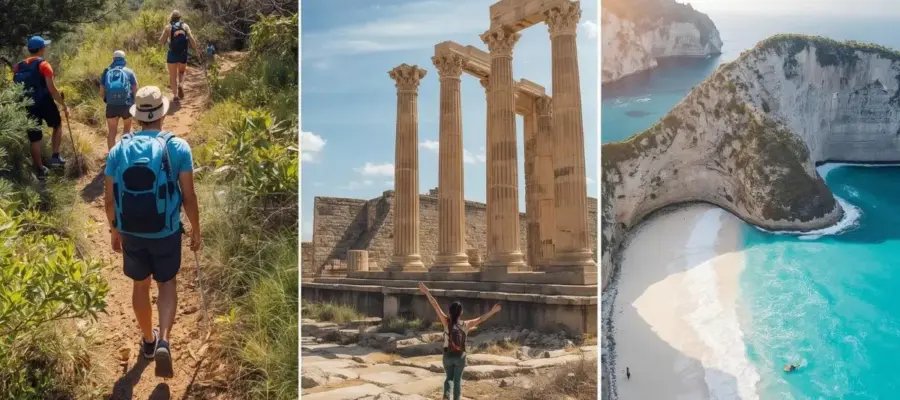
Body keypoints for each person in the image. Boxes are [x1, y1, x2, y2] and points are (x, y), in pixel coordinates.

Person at [104, 86, 201, 378]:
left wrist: (114, 230)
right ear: (162, 113)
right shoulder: (178, 147)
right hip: (166, 230)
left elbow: (109, 199)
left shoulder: (118, 149)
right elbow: (189, 196)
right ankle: (165, 341)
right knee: (167, 282)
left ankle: (147, 340)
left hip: (132, 231)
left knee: (140, 285)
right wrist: (196, 229)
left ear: (137, 115)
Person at [418, 282, 501, 400]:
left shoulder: (446, 322)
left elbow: (435, 305)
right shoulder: (466, 324)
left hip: (447, 354)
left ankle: (446, 394)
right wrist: (493, 311)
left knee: (449, 378)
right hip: (460, 355)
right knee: (457, 381)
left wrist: (426, 292)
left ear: (449, 312)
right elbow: (481, 319)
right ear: (461, 313)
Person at [12, 36, 69, 180]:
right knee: (57, 124)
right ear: (41, 49)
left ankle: (41, 169)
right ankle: (55, 156)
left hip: (27, 105)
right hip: (44, 102)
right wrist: (63, 104)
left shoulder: (18, 66)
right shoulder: (44, 65)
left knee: (34, 139)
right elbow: (52, 89)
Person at [158, 10, 201, 105]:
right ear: (180, 17)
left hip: (172, 54)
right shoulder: (185, 26)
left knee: (173, 76)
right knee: (181, 72)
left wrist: (166, 41)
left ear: (171, 17)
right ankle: (181, 85)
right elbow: (191, 39)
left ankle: (175, 96)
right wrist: (196, 50)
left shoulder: (168, 27)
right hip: (183, 54)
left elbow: (161, 41)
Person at [99, 50, 138, 151]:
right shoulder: (129, 71)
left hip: (111, 105)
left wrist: (105, 99)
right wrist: (134, 101)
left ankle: (112, 155)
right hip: (127, 104)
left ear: (113, 59)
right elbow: (135, 87)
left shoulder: (107, 71)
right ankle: (125, 153)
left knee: (112, 131)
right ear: (124, 59)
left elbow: (102, 89)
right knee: (127, 130)